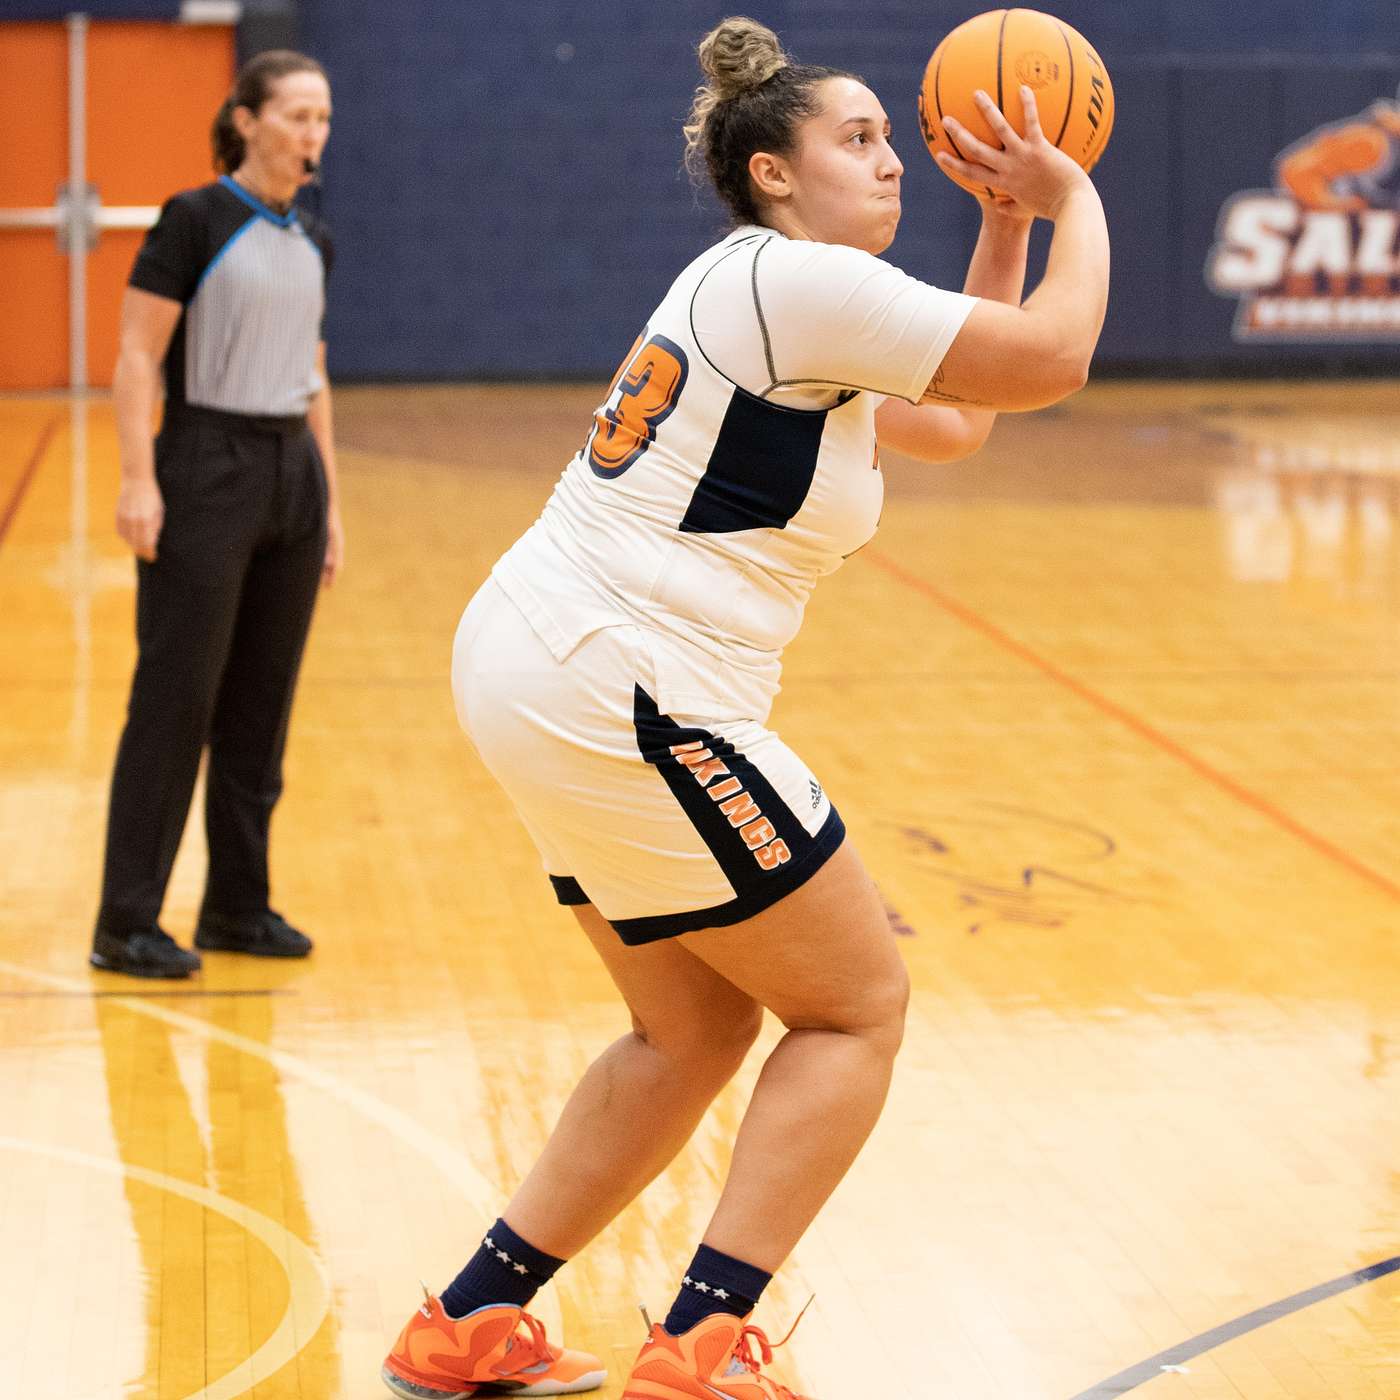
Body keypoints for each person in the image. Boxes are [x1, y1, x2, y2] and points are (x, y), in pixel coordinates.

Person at [382, 16, 1108, 1400]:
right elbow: (1051, 359)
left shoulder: (793, 300)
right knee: (856, 1008)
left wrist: (1005, 221)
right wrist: (1070, 192)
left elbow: (961, 416)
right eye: (858, 138)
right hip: (626, 679)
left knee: (694, 1026)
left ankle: (472, 1317)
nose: (891, 160)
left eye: (892, 140)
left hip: (548, 658)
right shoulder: (794, 282)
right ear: (773, 173)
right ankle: (705, 1344)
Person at [88, 50, 342, 980]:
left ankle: (237, 905)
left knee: (260, 707)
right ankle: (126, 921)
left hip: (290, 472)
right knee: (175, 698)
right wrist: (137, 479)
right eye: (297, 115)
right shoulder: (194, 219)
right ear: (246, 120)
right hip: (205, 463)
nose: (313, 133)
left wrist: (329, 502)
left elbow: (314, 373)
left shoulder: (314, 238)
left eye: (323, 118)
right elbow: (134, 355)